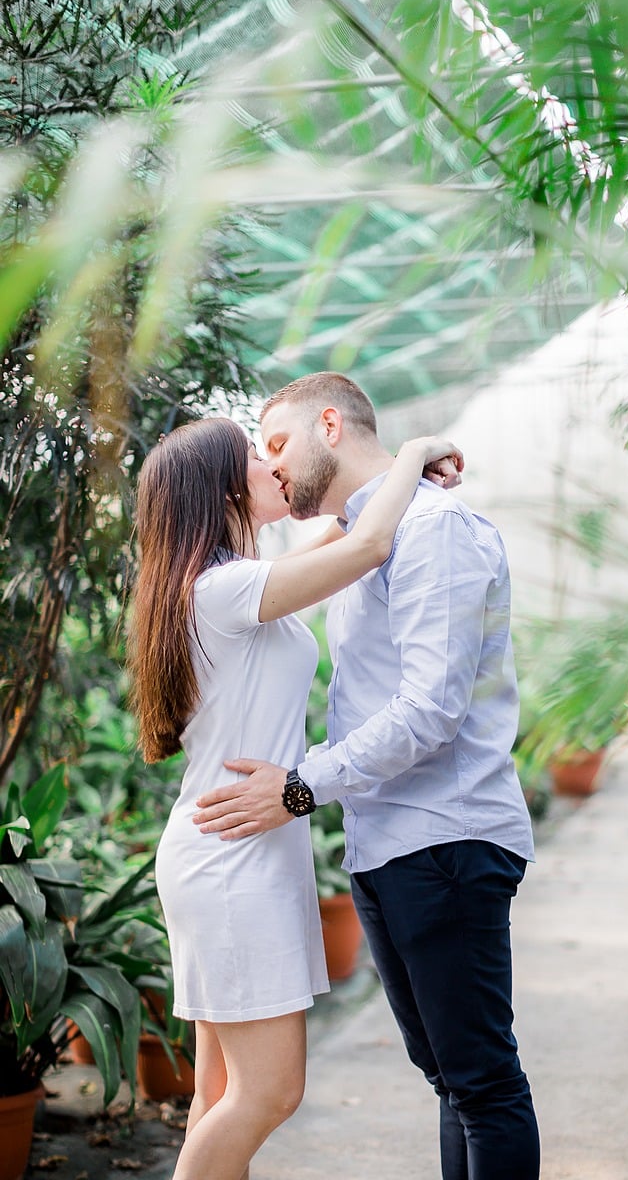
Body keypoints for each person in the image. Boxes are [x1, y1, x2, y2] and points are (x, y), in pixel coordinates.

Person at [194, 373, 541, 1180]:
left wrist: (297, 788)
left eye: (276, 444)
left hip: (444, 838)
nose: (271, 467)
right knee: (452, 1082)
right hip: (388, 842)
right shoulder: (368, 536)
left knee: (483, 1085)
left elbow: (430, 709)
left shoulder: (433, 527)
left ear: (330, 425)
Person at [128, 415, 462, 1180]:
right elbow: (366, 548)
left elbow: (339, 544)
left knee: (219, 1092)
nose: (273, 464)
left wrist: (383, 491)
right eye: (255, 455)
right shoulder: (223, 590)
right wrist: (411, 454)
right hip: (232, 859)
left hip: (231, 847)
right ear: (220, 488)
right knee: (270, 1093)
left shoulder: (217, 586)